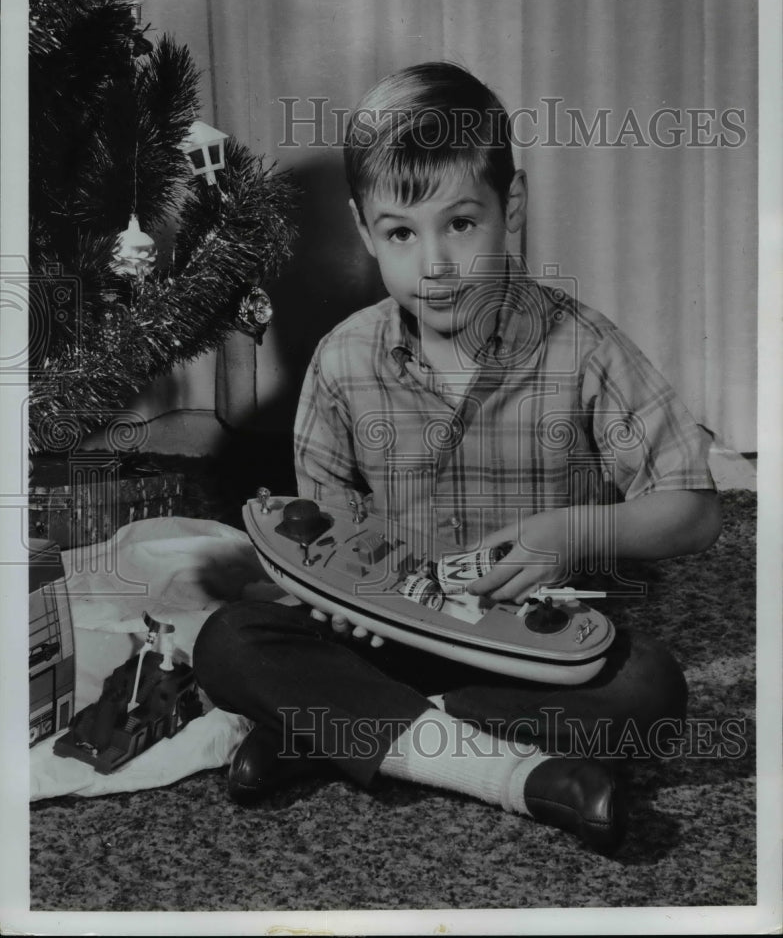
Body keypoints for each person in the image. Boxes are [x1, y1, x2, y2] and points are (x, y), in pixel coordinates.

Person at [193, 61, 722, 855]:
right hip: (381, 632)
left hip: (525, 651)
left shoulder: (583, 346)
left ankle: (334, 730)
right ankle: (514, 775)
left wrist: (568, 534)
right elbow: (324, 538)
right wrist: (331, 597)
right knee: (226, 641)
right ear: (365, 229)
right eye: (401, 232)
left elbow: (693, 509)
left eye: (461, 224)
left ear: (512, 208)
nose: (433, 264)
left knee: (650, 689)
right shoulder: (343, 362)